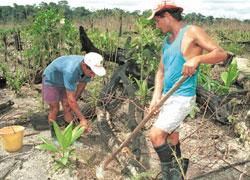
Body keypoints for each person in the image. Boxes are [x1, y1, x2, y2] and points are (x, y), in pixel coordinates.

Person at [147, 0, 227, 179]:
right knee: (171, 138)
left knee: (155, 135)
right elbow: (160, 72)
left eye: (157, 21)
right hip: (168, 98)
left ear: (167, 16)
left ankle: (171, 176)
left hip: (182, 97)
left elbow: (221, 54)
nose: (157, 25)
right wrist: (156, 99)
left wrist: (197, 60)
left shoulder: (191, 32)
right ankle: (179, 174)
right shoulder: (166, 41)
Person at [42, 52, 106, 139]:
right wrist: (82, 119)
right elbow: (71, 98)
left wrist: (72, 104)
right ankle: (54, 136)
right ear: (84, 66)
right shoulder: (71, 70)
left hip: (65, 81)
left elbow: (81, 86)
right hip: (51, 80)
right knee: (54, 109)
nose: (93, 75)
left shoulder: (89, 65)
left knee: (67, 107)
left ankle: (70, 136)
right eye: (92, 72)